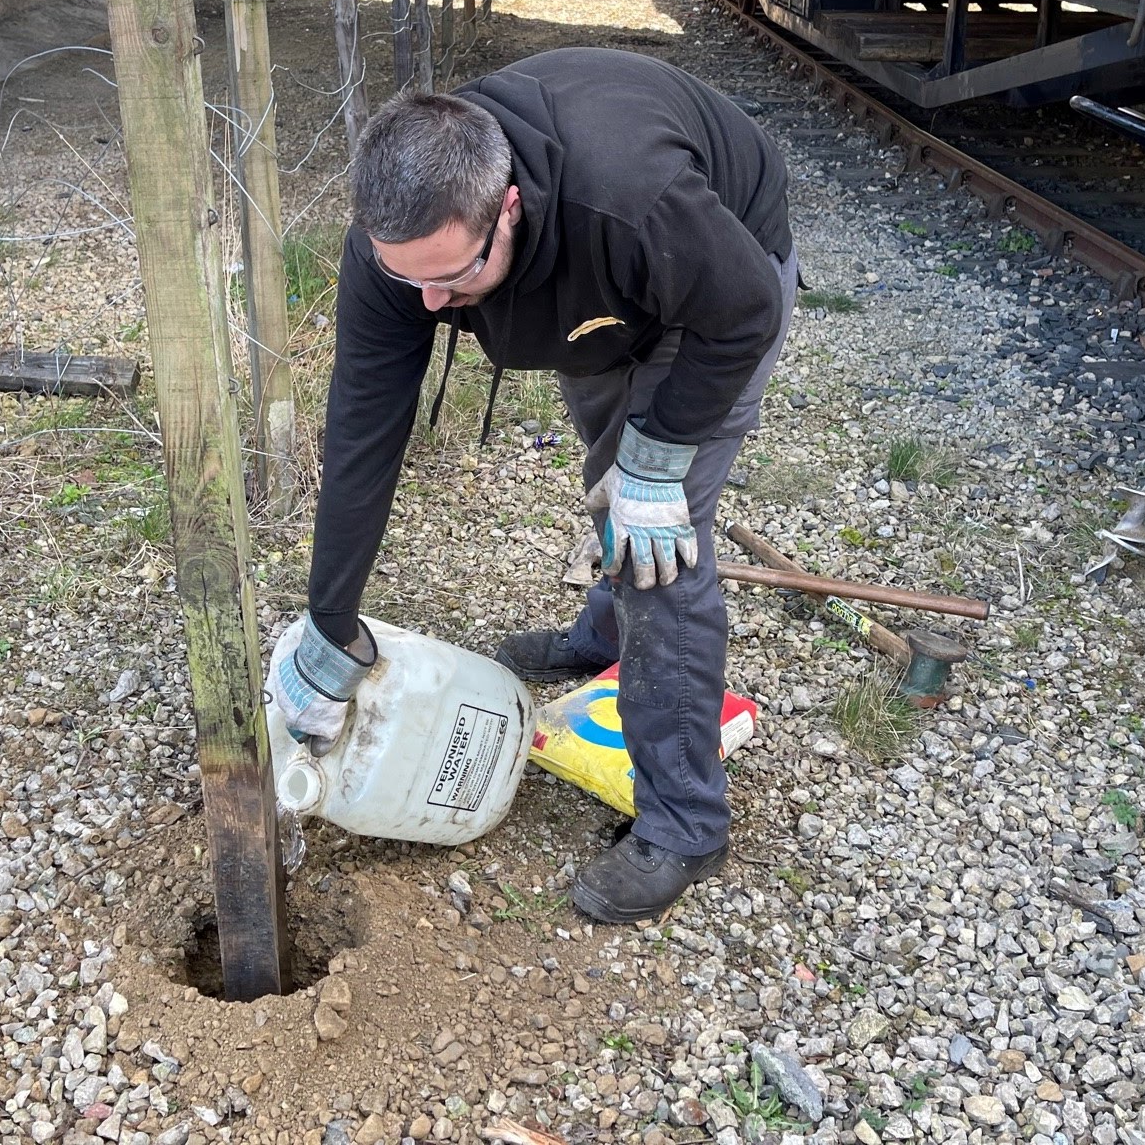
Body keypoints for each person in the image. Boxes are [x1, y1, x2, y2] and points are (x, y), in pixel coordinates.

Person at [273, 47, 796, 923]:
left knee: (653, 544)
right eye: (408, 278)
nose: (428, 303)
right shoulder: (401, 249)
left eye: (452, 278)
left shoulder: (632, 197)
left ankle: (686, 823)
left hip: (718, 290)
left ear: (508, 206)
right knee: (607, 477)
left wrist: (661, 455)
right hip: (594, 293)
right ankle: (605, 636)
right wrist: (330, 626)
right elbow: (365, 429)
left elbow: (745, 310)